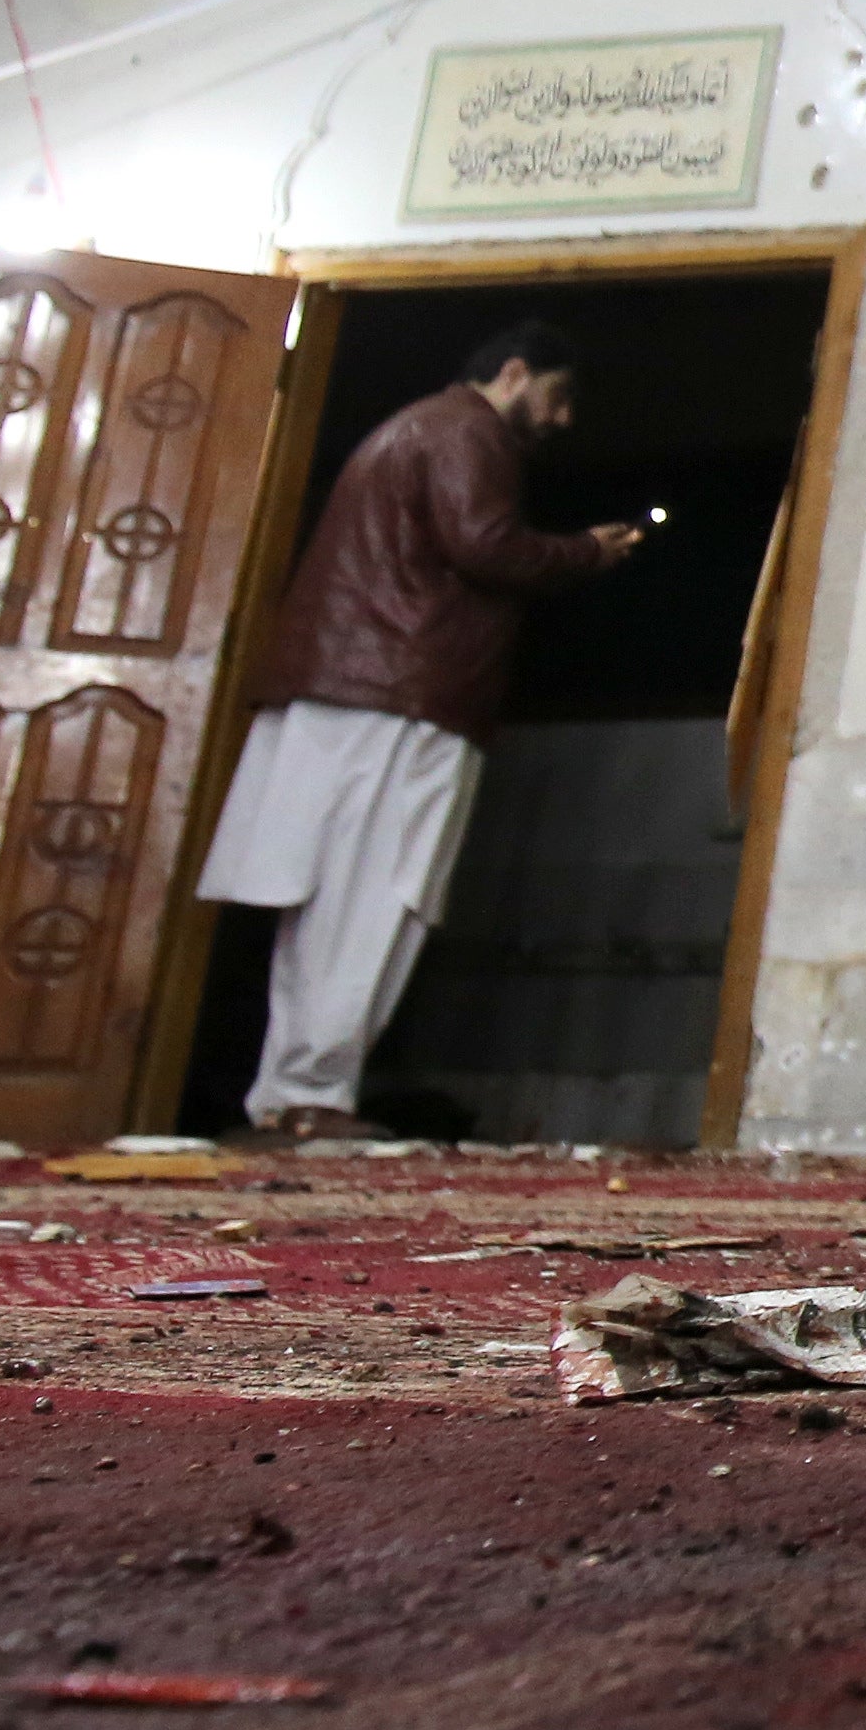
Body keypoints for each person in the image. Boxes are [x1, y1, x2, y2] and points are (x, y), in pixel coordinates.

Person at [191, 321, 636, 1141]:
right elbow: (484, 545)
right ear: (514, 373)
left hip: (345, 685)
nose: (563, 421)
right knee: (380, 895)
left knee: (324, 899)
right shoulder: (468, 431)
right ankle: (312, 1098)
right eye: (558, 396)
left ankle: (290, 1096)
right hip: (406, 688)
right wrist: (584, 554)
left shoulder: (411, 425)